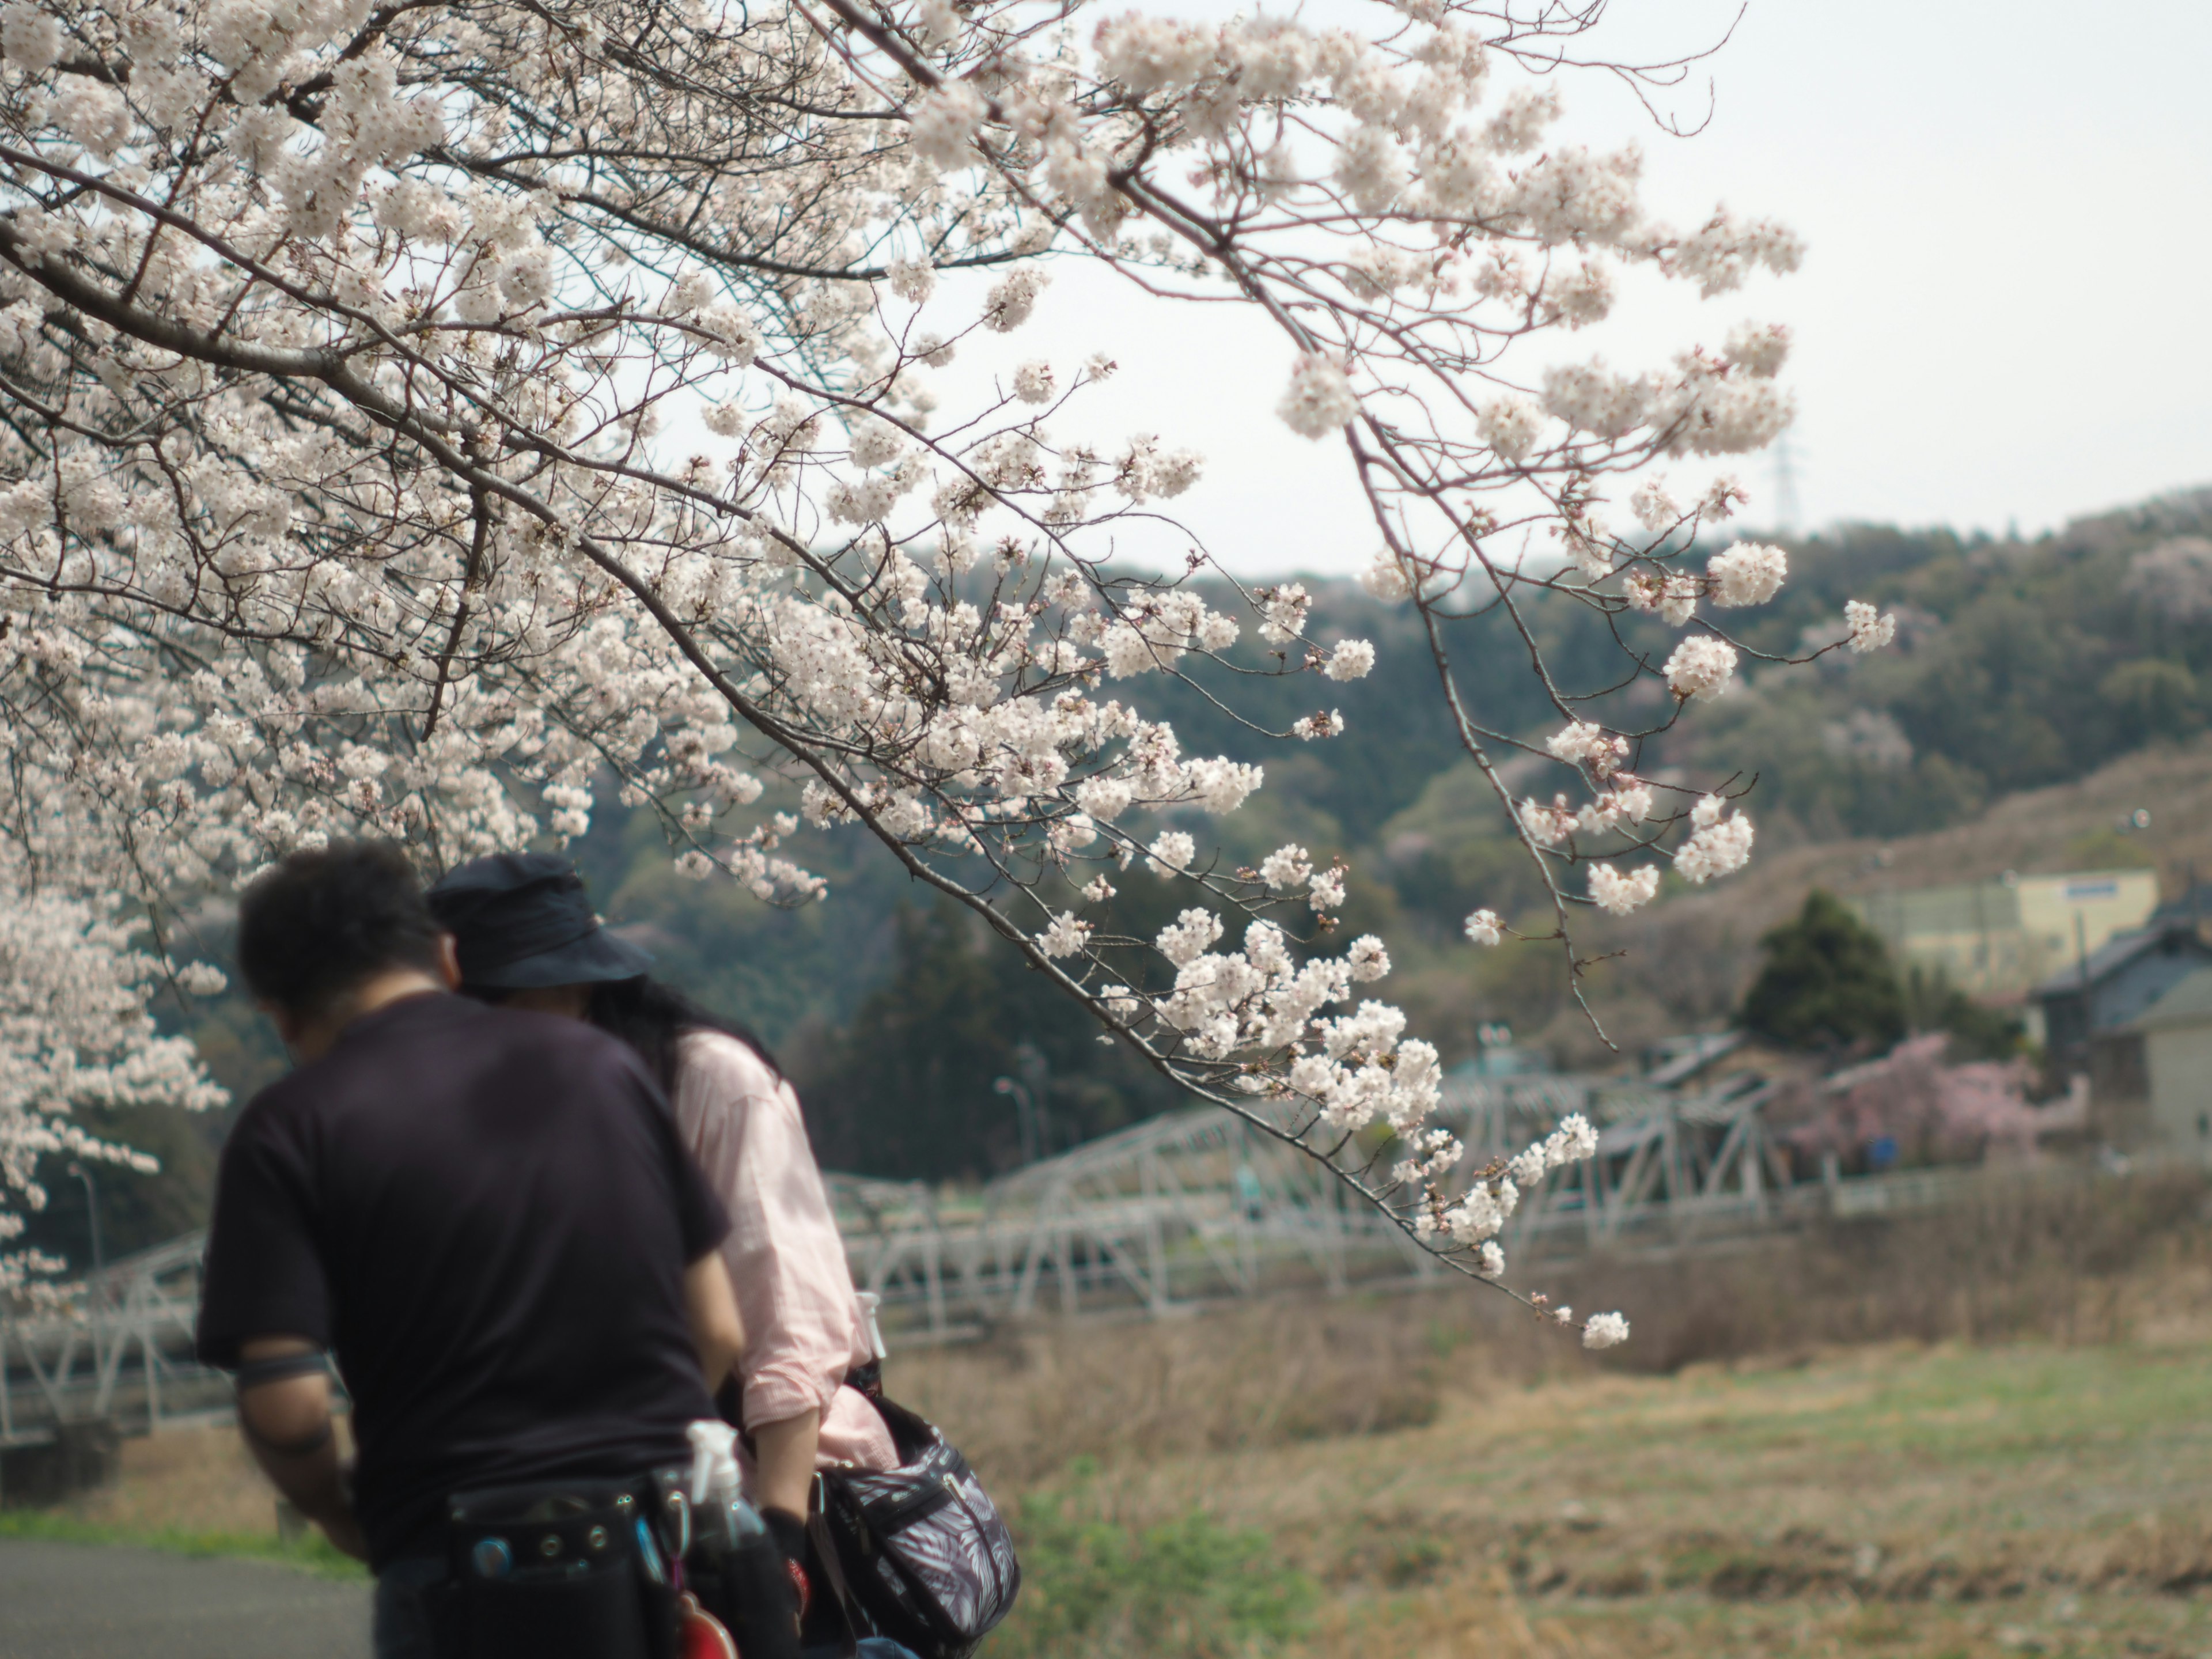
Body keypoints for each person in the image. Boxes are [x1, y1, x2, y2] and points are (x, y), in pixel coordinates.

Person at [196, 841, 747, 1659]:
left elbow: (287, 1408)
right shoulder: (603, 1068)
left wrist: (346, 1517)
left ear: (279, 1012)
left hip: (454, 1566)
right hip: (654, 1558)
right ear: (447, 958)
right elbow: (719, 1328)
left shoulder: (288, 1128)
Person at [426, 854, 897, 1585]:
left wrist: (781, 1544)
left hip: (755, 1491)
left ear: (577, 986)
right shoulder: (483, 1114)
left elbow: (787, 1327)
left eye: (497, 1002)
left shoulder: (712, 1083)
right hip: (582, 1514)